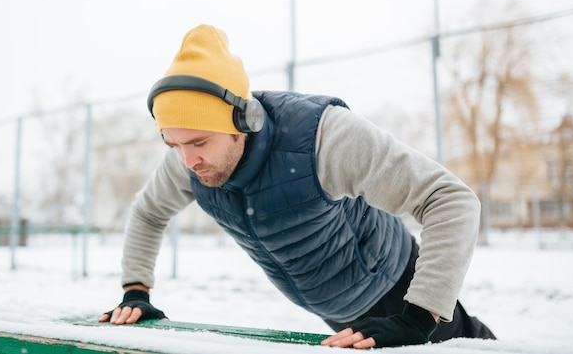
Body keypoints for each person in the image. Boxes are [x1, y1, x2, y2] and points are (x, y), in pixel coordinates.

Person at [99, 24, 496, 349]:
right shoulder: (187, 163)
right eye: (174, 144)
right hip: (331, 307)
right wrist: (137, 290)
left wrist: (417, 316)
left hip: (395, 288)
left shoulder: (321, 139)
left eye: (199, 142)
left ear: (244, 121)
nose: (187, 161)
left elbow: (451, 200)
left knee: (466, 348)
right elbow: (148, 212)